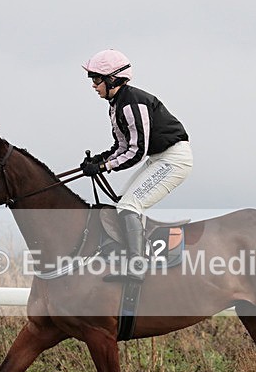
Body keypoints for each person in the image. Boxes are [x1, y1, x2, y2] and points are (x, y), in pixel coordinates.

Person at [80, 49, 193, 282]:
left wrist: (103, 168)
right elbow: (122, 145)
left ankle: (137, 267)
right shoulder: (116, 104)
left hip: (173, 159)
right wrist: (99, 159)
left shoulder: (132, 102)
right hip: (159, 157)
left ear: (113, 78)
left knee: (129, 206)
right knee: (123, 203)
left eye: (96, 79)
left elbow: (136, 152)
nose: (93, 85)